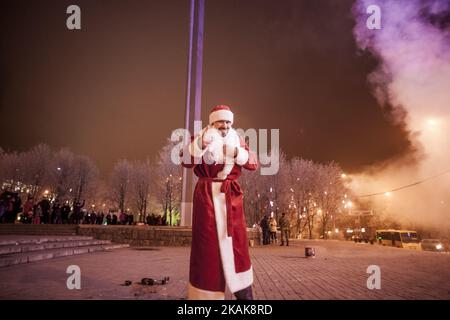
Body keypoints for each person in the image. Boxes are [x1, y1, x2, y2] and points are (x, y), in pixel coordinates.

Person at [180, 105, 258, 300]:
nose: (225, 125)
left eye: (228, 122)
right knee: (207, 249)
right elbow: (185, 160)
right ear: (213, 122)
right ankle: (204, 296)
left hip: (231, 198)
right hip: (206, 198)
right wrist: (200, 145)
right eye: (221, 121)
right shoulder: (200, 137)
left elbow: (254, 163)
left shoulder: (237, 140)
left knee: (237, 248)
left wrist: (236, 152)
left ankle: (244, 295)